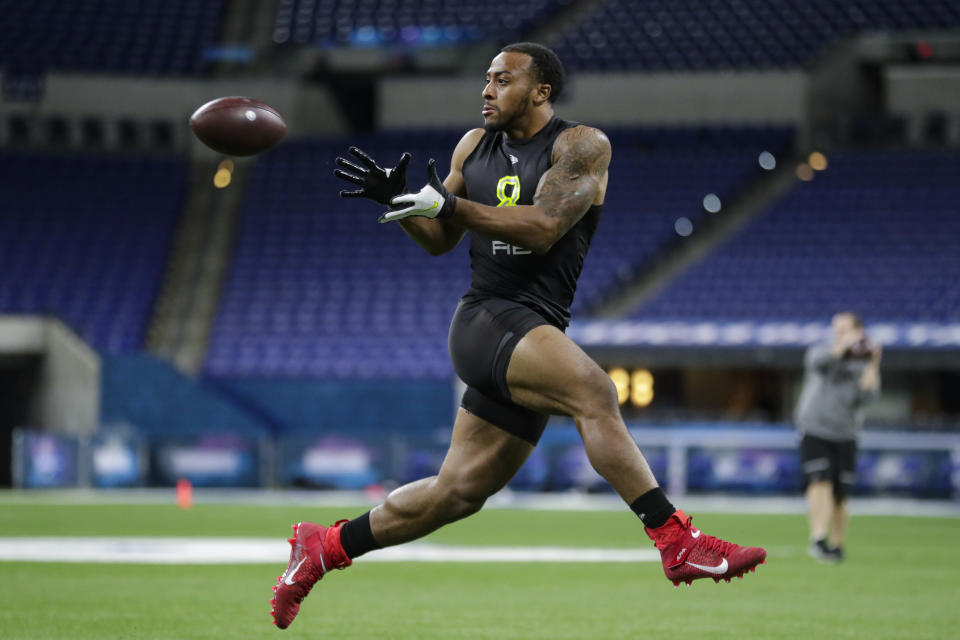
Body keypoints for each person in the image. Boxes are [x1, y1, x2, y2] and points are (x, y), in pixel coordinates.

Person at [270, 42, 766, 629]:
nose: (486, 89)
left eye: (502, 80)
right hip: (487, 319)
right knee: (594, 392)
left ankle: (324, 547)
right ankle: (676, 540)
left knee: (458, 492)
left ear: (541, 91)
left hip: (530, 327)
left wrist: (450, 206)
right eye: (486, 79)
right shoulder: (472, 147)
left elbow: (544, 227)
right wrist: (402, 206)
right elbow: (438, 238)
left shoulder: (580, 146)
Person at [796, 311, 882, 563]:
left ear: (859, 331)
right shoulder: (822, 352)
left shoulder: (860, 363)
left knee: (841, 493)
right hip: (815, 427)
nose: (839, 333)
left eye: (844, 329)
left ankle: (837, 545)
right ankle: (818, 538)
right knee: (819, 479)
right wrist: (843, 346)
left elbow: (868, 396)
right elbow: (818, 363)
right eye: (836, 329)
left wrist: (873, 362)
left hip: (845, 433)